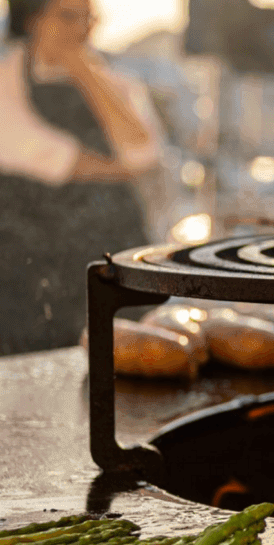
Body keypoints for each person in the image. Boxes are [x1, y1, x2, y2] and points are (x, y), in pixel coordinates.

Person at [0, 0, 163, 354]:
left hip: (107, 243)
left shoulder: (114, 80)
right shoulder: (4, 81)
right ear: (32, 19)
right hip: (29, 255)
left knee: (124, 355)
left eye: (89, 18)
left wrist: (85, 72)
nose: (82, 29)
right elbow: (55, 158)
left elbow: (142, 150)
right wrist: (121, 169)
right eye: (67, 16)